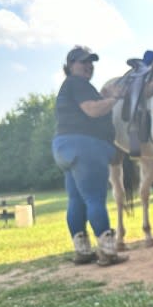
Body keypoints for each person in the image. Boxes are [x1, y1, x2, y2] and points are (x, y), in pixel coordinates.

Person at [52, 45, 128, 266]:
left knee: (76, 199)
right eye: (82, 62)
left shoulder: (71, 86)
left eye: (90, 62)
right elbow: (93, 110)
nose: (88, 66)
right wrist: (115, 99)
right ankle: (107, 251)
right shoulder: (78, 84)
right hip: (85, 147)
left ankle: (82, 250)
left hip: (64, 147)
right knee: (95, 198)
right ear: (70, 66)